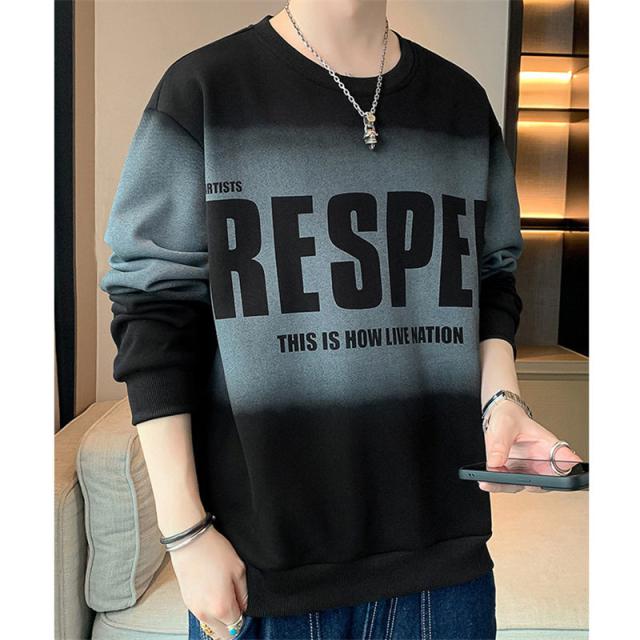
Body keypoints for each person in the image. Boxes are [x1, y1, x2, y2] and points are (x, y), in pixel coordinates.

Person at [99, 1, 583, 639]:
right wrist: (185, 533)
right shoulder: (203, 92)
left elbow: (490, 276)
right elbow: (153, 309)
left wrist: (501, 399)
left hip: (445, 568)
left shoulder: (461, 104)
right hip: (263, 573)